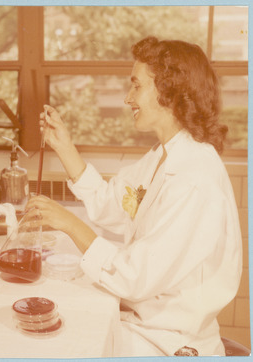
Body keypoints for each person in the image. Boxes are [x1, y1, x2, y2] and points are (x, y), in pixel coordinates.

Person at [26, 36, 242, 357]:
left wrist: (69, 223)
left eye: (136, 86)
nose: (128, 98)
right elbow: (108, 202)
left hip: (170, 342)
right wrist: (64, 146)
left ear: (169, 92)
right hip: (143, 323)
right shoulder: (162, 156)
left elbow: (134, 277)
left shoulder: (195, 178)